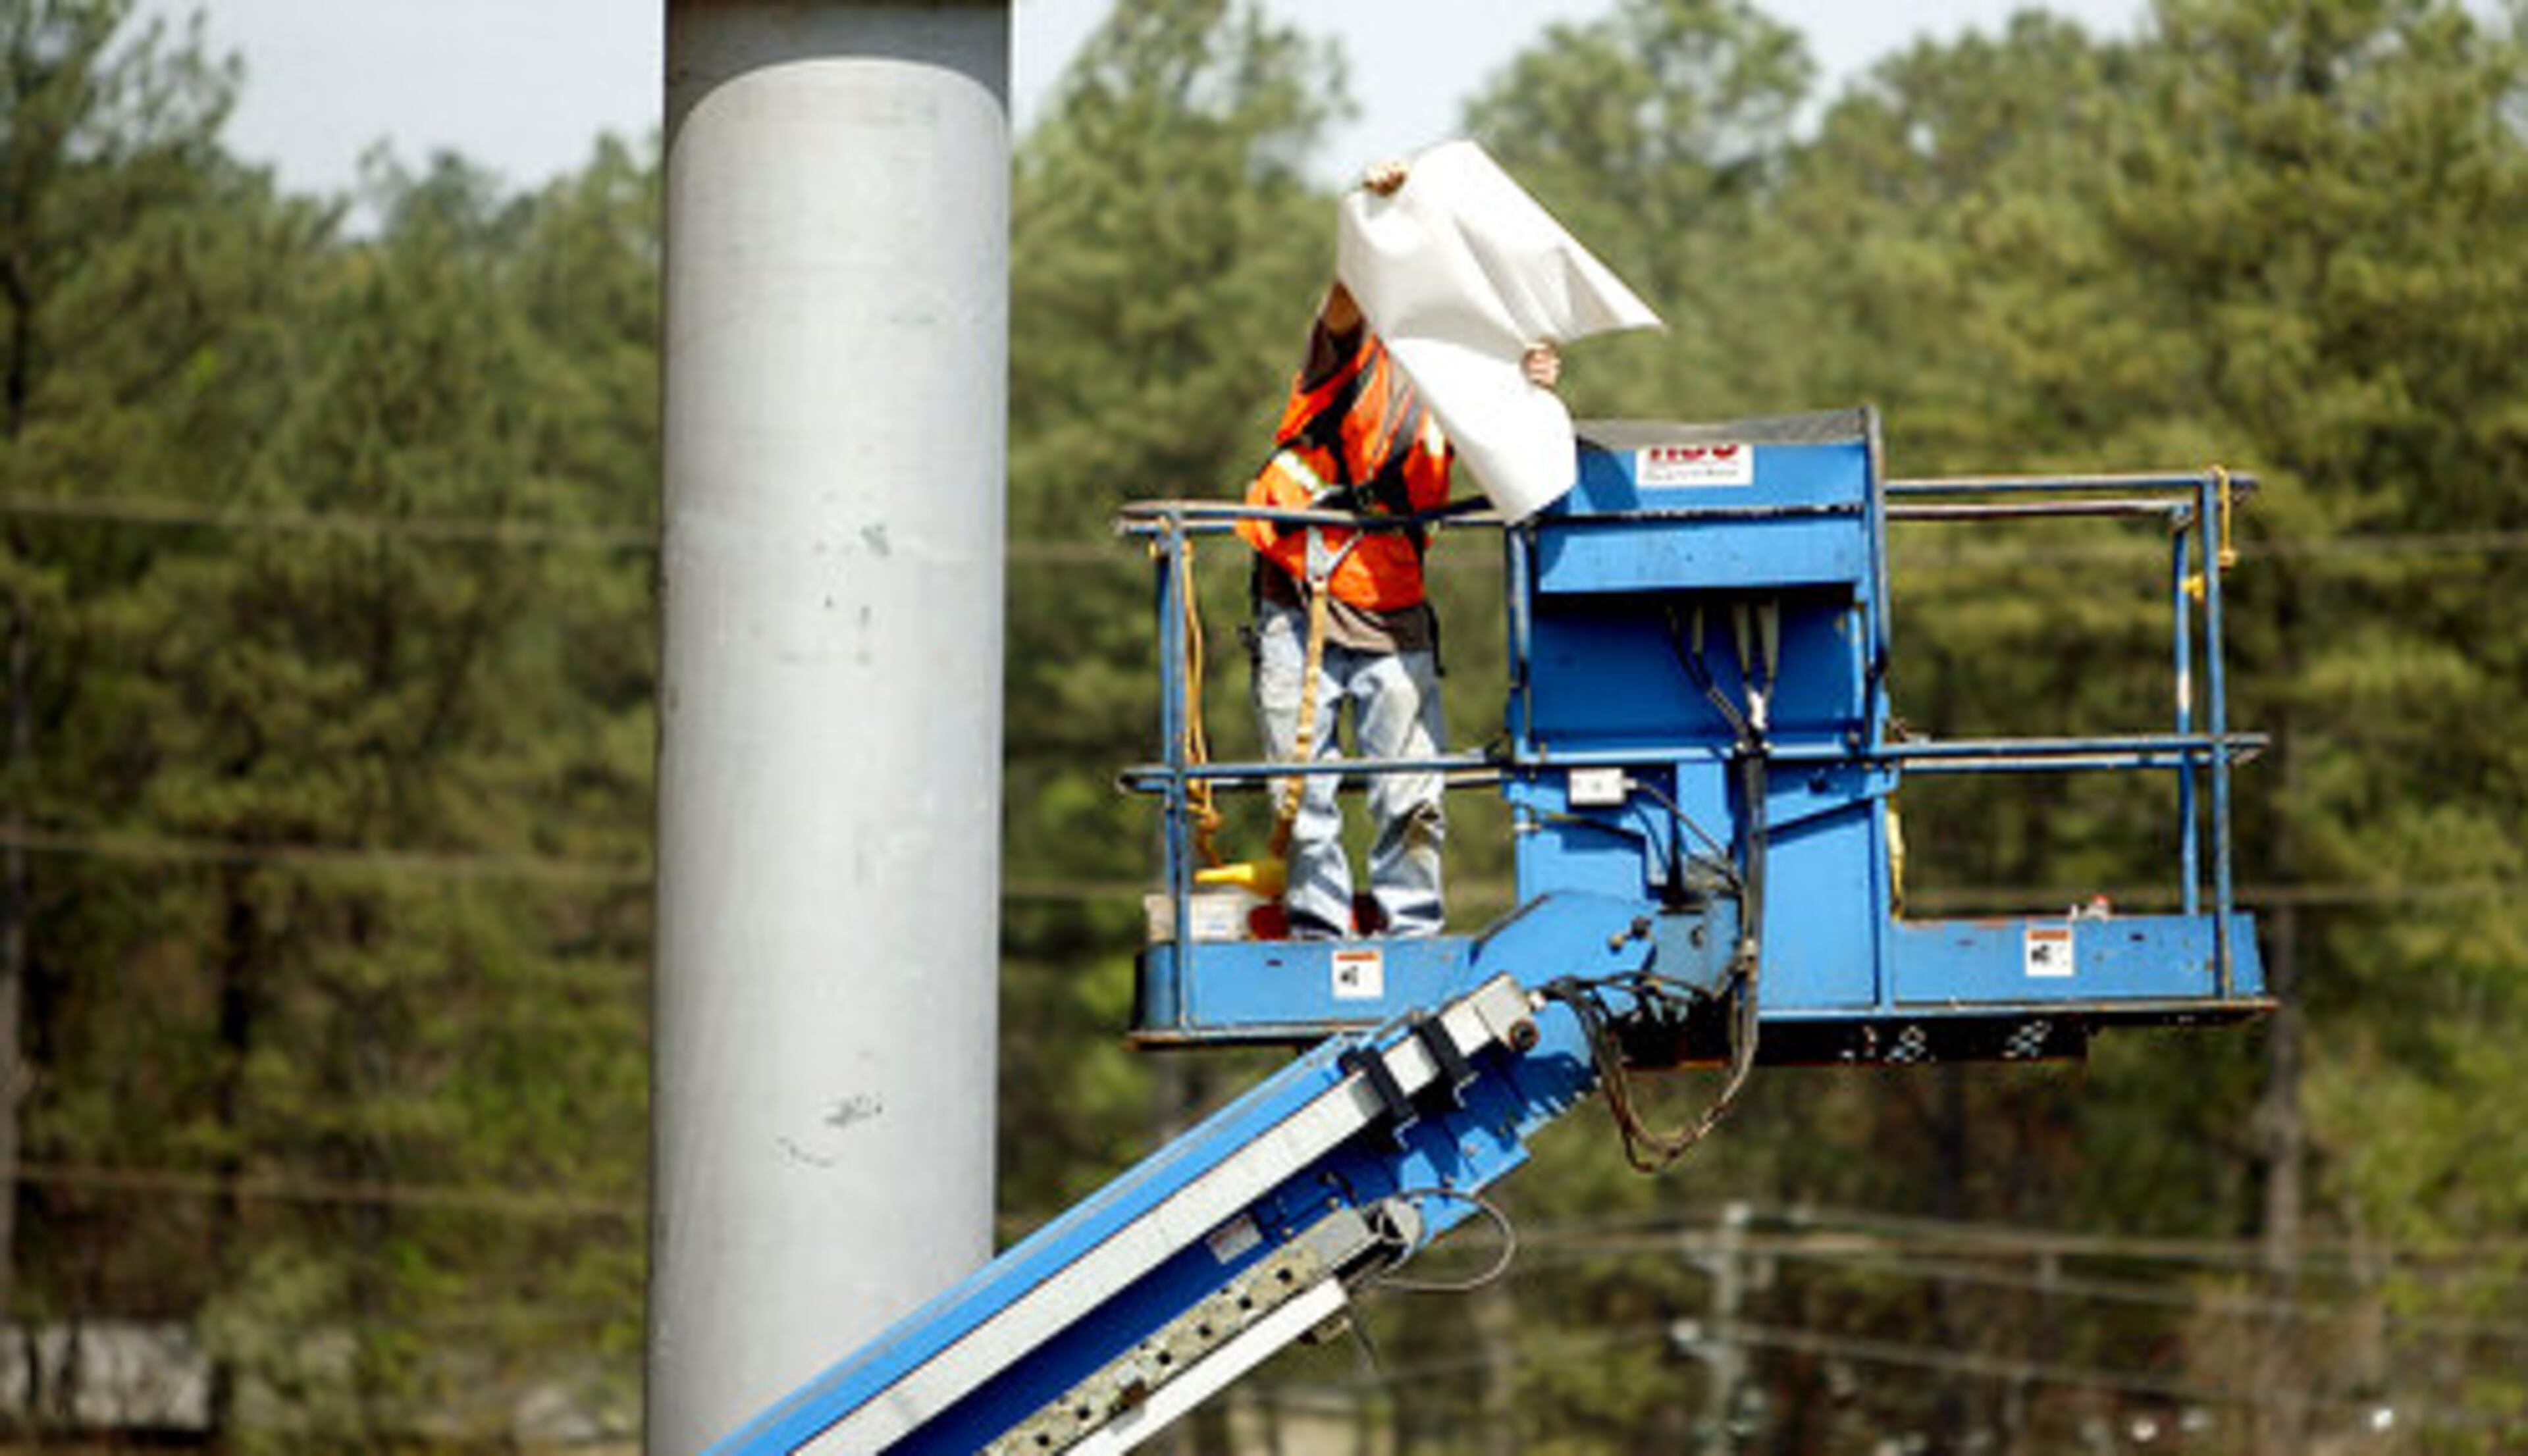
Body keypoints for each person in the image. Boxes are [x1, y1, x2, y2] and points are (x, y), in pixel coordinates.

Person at [1236, 159, 1562, 939]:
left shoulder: (1476, 377)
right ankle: (1321, 933)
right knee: (1303, 794)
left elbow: (1526, 459)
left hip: (1394, 605)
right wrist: (1378, 215)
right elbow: (1347, 293)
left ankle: (1409, 931)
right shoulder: (1349, 351)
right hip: (1302, 599)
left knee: (1412, 796)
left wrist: (1537, 384)